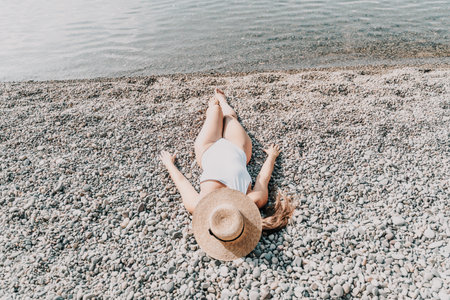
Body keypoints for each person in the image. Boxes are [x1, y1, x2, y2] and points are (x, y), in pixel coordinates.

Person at [159, 88, 294, 233]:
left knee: (214, 110)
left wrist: (169, 164)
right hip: (239, 149)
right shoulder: (253, 200)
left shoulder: (199, 205)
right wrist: (272, 156)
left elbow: (181, 183)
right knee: (229, 117)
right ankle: (223, 100)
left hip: (207, 148)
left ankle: (215, 105)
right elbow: (263, 179)